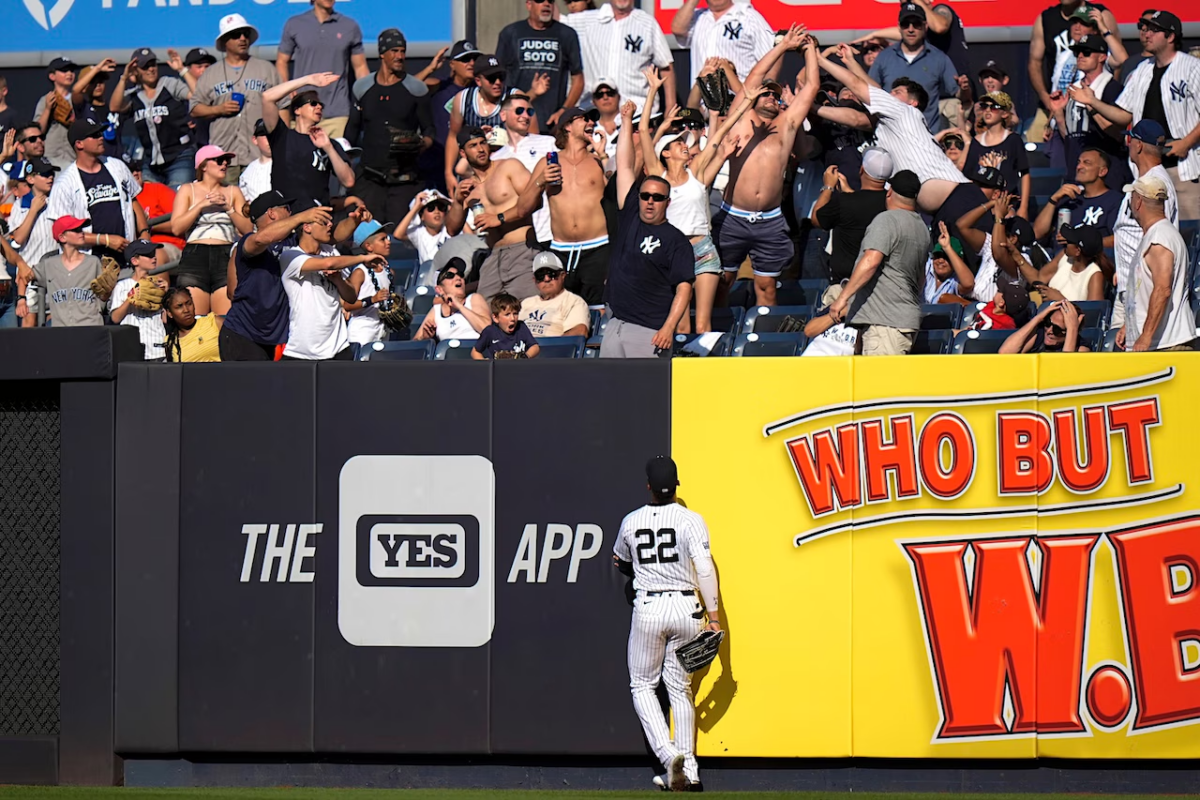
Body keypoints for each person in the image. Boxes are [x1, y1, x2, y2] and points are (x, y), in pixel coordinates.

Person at [613, 455, 721, 792]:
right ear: (676, 486)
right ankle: (689, 770)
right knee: (679, 687)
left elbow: (619, 559)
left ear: (648, 486)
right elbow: (704, 569)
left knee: (642, 685)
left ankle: (669, 754)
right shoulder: (691, 520)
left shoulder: (632, 521)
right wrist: (714, 616)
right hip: (688, 606)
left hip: (650, 607)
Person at [637, 76, 761, 330]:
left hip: (703, 248)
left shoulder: (698, 174)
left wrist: (744, 103)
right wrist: (652, 91)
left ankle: (704, 368)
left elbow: (718, 137)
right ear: (665, 152)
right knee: (681, 326)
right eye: (678, 142)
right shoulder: (656, 176)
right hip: (673, 252)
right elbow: (641, 132)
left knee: (704, 323)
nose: (685, 144)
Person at [710, 27, 819, 306]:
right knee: (722, 282)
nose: (771, 97)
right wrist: (782, 47)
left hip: (770, 221)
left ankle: (762, 344)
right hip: (732, 216)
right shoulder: (741, 119)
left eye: (775, 95)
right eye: (765, 94)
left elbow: (812, 87)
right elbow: (755, 78)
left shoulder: (787, 125)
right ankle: (715, 339)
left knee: (767, 287)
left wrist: (808, 51)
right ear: (753, 98)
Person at [1070, 11, 1200, 220]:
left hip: (1183, 169)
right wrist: (1093, 101)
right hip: (1146, 171)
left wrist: (1186, 142)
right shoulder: (1142, 70)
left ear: (1171, 36)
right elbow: (1123, 114)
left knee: (1189, 236)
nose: (1146, 34)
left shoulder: (1193, 67)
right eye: (1144, 28)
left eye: (1154, 30)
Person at [818, 44, 971, 219]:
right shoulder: (889, 123)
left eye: (896, 92)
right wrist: (851, 62)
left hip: (959, 200)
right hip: (937, 211)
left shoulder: (903, 111)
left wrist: (821, 61)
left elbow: (859, 92)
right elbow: (869, 97)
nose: (889, 95)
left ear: (913, 103)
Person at [220, 191, 332, 361]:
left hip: (268, 338)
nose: (290, 213)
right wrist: (302, 217)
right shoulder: (248, 241)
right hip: (242, 333)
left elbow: (334, 236)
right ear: (272, 213)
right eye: (286, 209)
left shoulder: (292, 241)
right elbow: (260, 240)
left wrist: (355, 221)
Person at [828, 170, 929, 355]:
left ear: (889, 192)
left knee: (881, 383)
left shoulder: (887, 220)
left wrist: (842, 298)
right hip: (903, 320)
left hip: (884, 324)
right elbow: (921, 278)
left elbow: (871, 261)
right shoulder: (921, 227)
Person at [515, 106, 608, 303]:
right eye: (584, 119)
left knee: (598, 312)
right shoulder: (547, 163)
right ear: (567, 126)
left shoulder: (598, 161)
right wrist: (541, 180)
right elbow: (522, 208)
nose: (591, 123)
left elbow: (620, 199)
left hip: (598, 248)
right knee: (561, 313)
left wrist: (605, 158)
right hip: (560, 251)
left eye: (593, 120)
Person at [343, 29, 434, 223]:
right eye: (394, 51)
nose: (400, 56)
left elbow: (429, 130)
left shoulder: (416, 89)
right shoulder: (362, 88)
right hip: (369, 179)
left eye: (402, 51)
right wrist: (344, 158)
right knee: (367, 236)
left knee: (399, 240)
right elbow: (352, 129)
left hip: (404, 180)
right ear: (382, 53)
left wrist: (421, 144)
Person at [599, 175, 694, 358]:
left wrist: (668, 328)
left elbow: (684, 288)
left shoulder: (677, 241)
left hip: (650, 332)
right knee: (608, 385)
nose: (650, 201)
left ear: (668, 202)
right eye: (645, 196)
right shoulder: (630, 220)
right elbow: (625, 166)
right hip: (615, 324)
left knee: (646, 387)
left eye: (658, 198)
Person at [448, 127, 540, 300]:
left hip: (522, 249)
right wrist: (458, 202)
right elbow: (452, 229)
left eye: (483, 143)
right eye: (473, 145)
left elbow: (535, 201)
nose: (481, 149)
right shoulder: (468, 187)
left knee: (527, 307)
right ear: (462, 152)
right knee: (486, 313)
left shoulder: (509, 167)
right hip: (493, 256)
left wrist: (500, 218)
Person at [190, 14, 279, 185]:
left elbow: (282, 106)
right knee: (227, 206)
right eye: (236, 35)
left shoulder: (266, 69)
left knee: (261, 204)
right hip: (224, 156)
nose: (242, 38)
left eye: (245, 34)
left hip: (259, 154)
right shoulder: (211, 73)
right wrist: (218, 109)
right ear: (225, 41)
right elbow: (194, 108)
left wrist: (281, 141)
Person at [278, 208, 376, 361]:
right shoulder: (290, 256)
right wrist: (362, 258)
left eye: (330, 221)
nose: (330, 225)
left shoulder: (332, 252)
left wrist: (338, 280)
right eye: (324, 222)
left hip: (338, 347)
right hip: (301, 350)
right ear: (307, 227)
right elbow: (328, 264)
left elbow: (350, 297)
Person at [47, 119, 151, 264]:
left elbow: (133, 201)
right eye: (94, 135)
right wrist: (105, 240)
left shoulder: (117, 166)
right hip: (88, 263)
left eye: (100, 132)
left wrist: (145, 233)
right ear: (79, 144)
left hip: (126, 257)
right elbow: (63, 232)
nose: (101, 137)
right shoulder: (64, 184)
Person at [170, 145, 253, 316]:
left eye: (227, 161)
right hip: (195, 255)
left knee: (224, 320)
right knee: (195, 321)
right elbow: (176, 227)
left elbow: (248, 229)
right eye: (219, 160)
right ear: (203, 165)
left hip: (225, 255)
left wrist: (228, 208)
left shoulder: (233, 191)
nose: (224, 164)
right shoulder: (188, 190)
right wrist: (201, 205)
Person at [1111, 120, 1179, 326]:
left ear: (1138, 145)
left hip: (1142, 291)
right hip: (1131, 286)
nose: (1127, 143)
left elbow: (1158, 237)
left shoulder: (1156, 185)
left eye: (1130, 139)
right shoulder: (1145, 181)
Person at [1118, 174, 1195, 351]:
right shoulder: (1156, 235)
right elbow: (1143, 289)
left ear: (1138, 202)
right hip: (1159, 343)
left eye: (1131, 198)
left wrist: (1145, 336)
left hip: (1167, 344)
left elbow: (1162, 289)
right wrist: (1129, 327)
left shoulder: (1160, 238)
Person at [1027, 0, 1119, 143]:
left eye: (1083, 24)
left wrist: (1109, 101)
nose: (1077, 28)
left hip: (1092, 104)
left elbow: (1118, 60)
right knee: (1035, 142)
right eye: (1074, 23)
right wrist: (1047, 101)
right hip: (1055, 103)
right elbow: (1034, 62)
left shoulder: (1100, 15)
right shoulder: (1046, 19)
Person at [561, 0, 675, 114]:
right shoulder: (587, 20)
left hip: (638, 113)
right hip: (595, 114)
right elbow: (551, 19)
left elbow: (665, 65)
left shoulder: (647, 23)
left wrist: (670, 107)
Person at [276, 0, 368, 139]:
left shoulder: (349, 26)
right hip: (304, 110)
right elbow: (282, 61)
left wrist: (366, 98)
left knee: (338, 159)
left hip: (337, 115)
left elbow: (360, 67)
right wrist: (287, 88)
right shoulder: (294, 24)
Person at [1047, 34, 1129, 190]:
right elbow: (1071, 137)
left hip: (1106, 179)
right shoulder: (1075, 88)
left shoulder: (1112, 88)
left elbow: (1118, 135)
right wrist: (1058, 114)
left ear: (1102, 57)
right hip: (1075, 175)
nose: (1080, 56)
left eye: (1086, 52)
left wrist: (1091, 106)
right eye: (1077, 52)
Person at [261, 72, 353, 209]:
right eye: (313, 103)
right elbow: (267, 97)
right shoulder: (282, 136)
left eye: (321, 105)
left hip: (317, 216)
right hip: (286, 214)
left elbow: (349, 181)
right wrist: (308, 80)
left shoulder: (329, 143)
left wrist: (328, 148)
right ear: (297, 110)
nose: (319, 107)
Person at [868, 2, 961, 132]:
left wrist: (964, 89)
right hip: (892, 136)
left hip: (927, 138)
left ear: (925, 26)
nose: (911, 29)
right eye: (906, 24)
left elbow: (958, 94)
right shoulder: (884, 57)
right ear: (899, 27)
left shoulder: (939, 58)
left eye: (916, 24)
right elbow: (870, 92)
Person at [111, 48, 194, 189]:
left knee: (177, 200)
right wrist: (124, 78)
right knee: (150, 203)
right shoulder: (133, 95)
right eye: (145, 67)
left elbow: (197, 95)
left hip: (179, 157)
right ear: (136, 71)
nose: (151, 69)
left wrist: (182, 70)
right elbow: (114, 107)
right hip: (151, 163)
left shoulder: (169, 84)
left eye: (153, 64)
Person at [811, 148, 894, 284]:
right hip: (881, 285)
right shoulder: (892, 203)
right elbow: (866, 204)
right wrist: (849, 192)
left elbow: (817, 219)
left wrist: (828, 187)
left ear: (861, 170)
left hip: (847, 285)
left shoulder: (844, 203)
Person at [496, 0, 584, 127]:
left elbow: (578, 79)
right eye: (540, 0)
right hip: (517, 120)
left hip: (551, 123)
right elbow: (498, 78)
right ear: (529, 4)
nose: (546, 4)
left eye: (550, 1)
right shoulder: (510, 33)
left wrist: (563, 111)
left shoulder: (566, 34)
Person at [490, 93, 558, 244]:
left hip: (551, 231)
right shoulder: (495, 158)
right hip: (521, 238)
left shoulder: (547, 143)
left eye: (530, 112)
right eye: (519, 111)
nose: (526, 116)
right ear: (503, 115)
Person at [444, 55, 513, 193]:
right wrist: (448, 173)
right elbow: (453, 136)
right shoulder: (462, 99)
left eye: (501, 77)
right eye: (492, 79)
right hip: (471, 174)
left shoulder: (514, 98)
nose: (498, 82)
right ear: (478, 80)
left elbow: (530, 138)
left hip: (506, 172)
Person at [671, 0, 775, 84]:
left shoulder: (748, 16)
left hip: (738, 101)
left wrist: (766, 89)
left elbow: (773, 53)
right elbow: (677, 29)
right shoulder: (699, 17)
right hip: (701, 102)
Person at [964, 92, 1031, 219]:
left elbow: (1024, 174)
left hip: (1007, 204)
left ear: (1004, 113)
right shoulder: (976, 142)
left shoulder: (1013, 140)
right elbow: (969, 176)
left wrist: (1023, 207)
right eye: (985, 106)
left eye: (994, 107)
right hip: (981, 205)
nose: (988, 110)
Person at [1033, 147, 1122, 243]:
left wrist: (1079, 242)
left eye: (1087, 163)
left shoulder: (1114, 201)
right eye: (1079, 162)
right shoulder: (1069, 198)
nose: (1079, 167)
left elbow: (1119, 239)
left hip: (1090, 256)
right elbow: (1037, 233)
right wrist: (1053, 200)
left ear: (1102, 171)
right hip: (1060, 255)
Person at [31, 216, 106, 327]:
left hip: (90, 327)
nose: (81, 233)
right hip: (61, 331)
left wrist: (99, 306)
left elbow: (104, 296)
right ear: (62, 237)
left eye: (81, 229)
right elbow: (24, 275)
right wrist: (21, 299)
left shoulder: (93, 262)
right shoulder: (49, 264)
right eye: (76, 230)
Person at [108, 239, 168, 360]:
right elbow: (115, 318)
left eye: (153, 254)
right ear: (135, 260)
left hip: (157, 346)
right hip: (133, 347)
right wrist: (130, 299)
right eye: (148, 255)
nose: (154, 258)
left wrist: (166, 296)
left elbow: (165, 320)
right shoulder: (123, 285)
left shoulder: (159, 284)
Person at [343, 219, 397, 348]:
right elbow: (348, 305)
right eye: (382, 239)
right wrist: (372, 299)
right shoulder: (360, 273)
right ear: (369, 246)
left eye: (388, 238)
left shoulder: (389, 271)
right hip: (362, 332)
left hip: (382, 331)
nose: (388, 242)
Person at [1023, 223, 1105, 302]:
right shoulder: (1065, 256)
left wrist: (1061, 300)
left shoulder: (1094, 275)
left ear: (1077, 251)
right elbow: (1039, 278)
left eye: (1069, 241)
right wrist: (1014, 253)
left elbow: (1094, 314)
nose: (1065, 242)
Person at [414, 261, 491, 342]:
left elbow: (487, 330)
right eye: (450, 275)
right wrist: (424, 338)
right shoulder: (436, 311)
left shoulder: (474, 298)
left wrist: (459, 306)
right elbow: (415, 342)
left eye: (460, 275)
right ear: (439, 289)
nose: (458, 278)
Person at [520, 251, 590, 337]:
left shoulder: (574, 301)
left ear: (563, 275)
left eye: (551, 274)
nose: (546, 279)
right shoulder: (525, 303)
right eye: (540, 275)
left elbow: (579, 331)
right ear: (534, 280)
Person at [36, 57, 80, 169]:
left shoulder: (77, 100)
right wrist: (47, 109)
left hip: (74, 158)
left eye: (71, 70)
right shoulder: (45, 100)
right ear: (52, 76)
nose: (69, 74)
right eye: (64, 70)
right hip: (51, 158)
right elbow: (38, 131)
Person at [1000, 299, 1090, 352]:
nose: (1049, 331)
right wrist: (1038, 318)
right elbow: (1005, 352)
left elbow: (1063, 370)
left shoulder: (1080, 348)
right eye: (1048, 323)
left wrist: (1072, 329)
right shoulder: (1039, 335)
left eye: (1057, 329)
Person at [162, 285, 223, 362]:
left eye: (189, 303)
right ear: (170, 313)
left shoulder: (214, 322)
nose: (186, 310)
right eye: (179, 306)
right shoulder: (170, 342)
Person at [472, 292, 541, 359]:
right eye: (507, 314)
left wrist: (525, 356)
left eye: (515, 314)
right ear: (495, 318)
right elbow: (475, 352)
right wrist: (485, 364)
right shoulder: (490, 331)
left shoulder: (521, 327)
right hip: (497, 369)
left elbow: (535, 347)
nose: (513, 318)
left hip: (519, 368)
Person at [395, 190, 451, 267]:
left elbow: (470, 238)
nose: (437, 211)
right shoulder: (419, 232)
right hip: (427, 276)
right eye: (431, 208)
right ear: (422, 216)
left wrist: (453, 212)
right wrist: (416, 207)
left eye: (441, 208)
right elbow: (398, 234)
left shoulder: (450, 230)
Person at [803, 282, 859, 357]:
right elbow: (808, 331)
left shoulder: (867, 319)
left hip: (838, 365)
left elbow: (859, 350)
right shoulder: (833, 309)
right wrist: (841, 313)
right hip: (811, 360)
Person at [923, 223, 975, 303]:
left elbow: (968, 284)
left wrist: (947, 247)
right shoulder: (927, 267)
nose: (940, 261)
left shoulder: (955, 280)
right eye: (937, 255)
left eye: (946, 257)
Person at [239, 119, 273, 203]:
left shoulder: (292, 163)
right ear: (255, 140)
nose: (271, 139)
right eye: (265, 135)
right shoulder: (247, 174)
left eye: (273, 134)